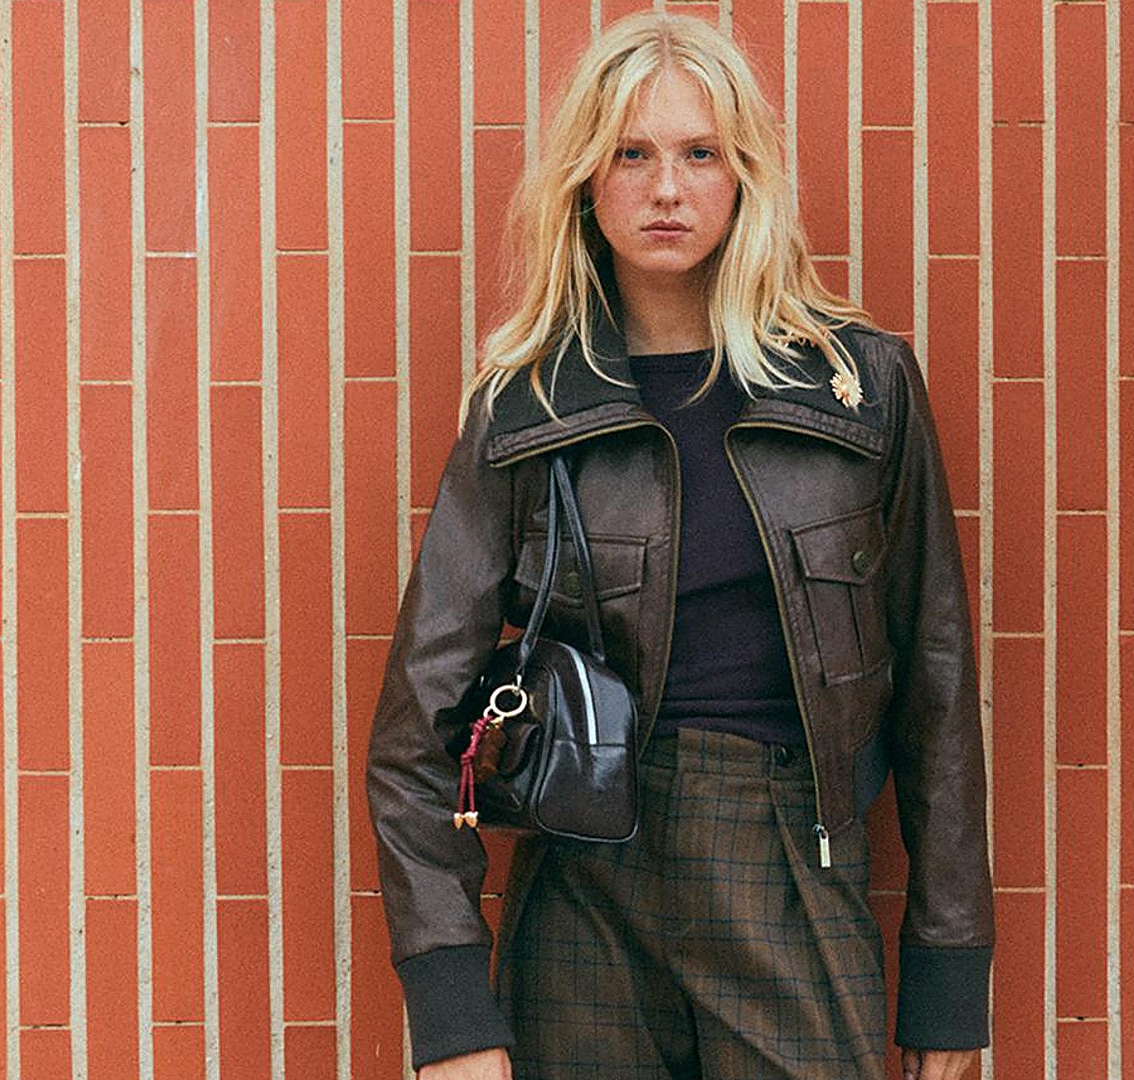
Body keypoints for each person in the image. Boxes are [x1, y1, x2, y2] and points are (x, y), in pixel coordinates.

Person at [364, 13, 993, 1080]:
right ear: (585, 181)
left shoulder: (859, 387)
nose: (667, 188)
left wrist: (947, 974)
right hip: (583, 895)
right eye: (631, 153)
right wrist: (452, 1001)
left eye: (700, 153)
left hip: (789, 865)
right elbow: (417, 718)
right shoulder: (527, 407)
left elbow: (936, 686)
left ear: (745, 174)